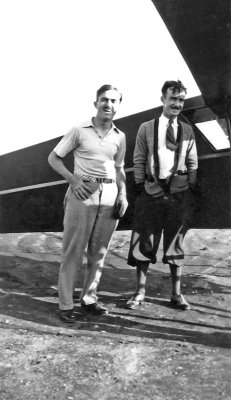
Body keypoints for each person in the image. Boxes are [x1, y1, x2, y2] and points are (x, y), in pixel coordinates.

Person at [48, 84, 128, 323]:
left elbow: (119, 168)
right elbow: (54, 157)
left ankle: (89, 298)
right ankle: (65, 305)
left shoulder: (119, 136)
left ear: (118, 106)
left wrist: (123, 194)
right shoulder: (79, 130)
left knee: (99, 253)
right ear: (96, 103)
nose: (108, 105)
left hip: (110, 192)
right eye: (104, 100)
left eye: (114, 101)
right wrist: (73, 180)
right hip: (84, 193)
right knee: (73, 251)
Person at [126, 80, 198, 311]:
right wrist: (140, 186)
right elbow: (138, 158)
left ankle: (176, 295)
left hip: (179, 195)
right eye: (172, 99)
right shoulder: (146, 128)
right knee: (143, 242)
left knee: (175, 244)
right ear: (163, 100)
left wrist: (189, 185)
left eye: (181, 100)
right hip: (151, 193)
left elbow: (192, 161)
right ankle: (139, 293)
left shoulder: (187, 130)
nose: (177, 104)